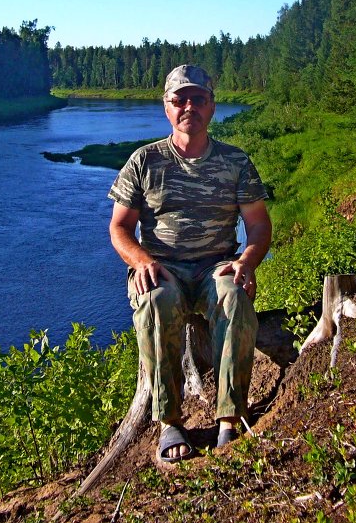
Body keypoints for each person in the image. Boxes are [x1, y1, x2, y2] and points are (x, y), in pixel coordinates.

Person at [108, 64, 272, 463]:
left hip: (216, 264)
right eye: (179, 100)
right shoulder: (144, 161)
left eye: (197, 99)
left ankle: (229, 419)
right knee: (155, 304)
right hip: (163, 267)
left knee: (233, 298)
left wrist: (246, 261)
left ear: (211, 106)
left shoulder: (235, 162)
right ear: (166, 107)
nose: (188, 107)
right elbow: (119, 227)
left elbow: (258, 223)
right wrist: (142, 261)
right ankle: (170, 422)